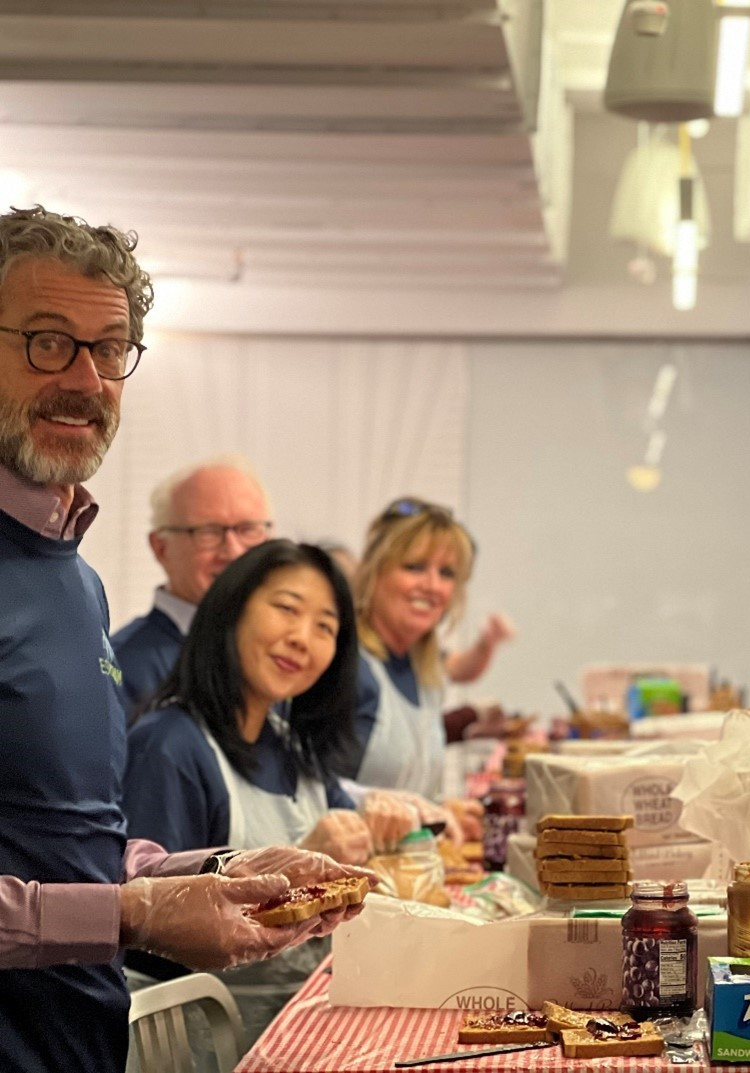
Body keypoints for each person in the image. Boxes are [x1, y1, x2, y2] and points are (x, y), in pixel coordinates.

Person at [0, 205, 365, 1073]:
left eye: (109, 349)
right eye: (47, 341)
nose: (85, 380)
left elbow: (73, 841)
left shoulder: (72, 575)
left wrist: (217, 867)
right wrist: (134, 916)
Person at [123, 539, 421, 1046]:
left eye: (325, 627)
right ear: (230, 608)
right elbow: (148, 936)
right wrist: (303, 863)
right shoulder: (170, 747)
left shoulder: (291, 745)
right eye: (286, 609)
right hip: (220, 1046)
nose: (303, 638)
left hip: (309, 1028)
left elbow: (351, 851)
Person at [330, 497, 514, 799]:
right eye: (414, 567)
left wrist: (442, 813)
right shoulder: (346, 666)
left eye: (446, 573)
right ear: (375, 572)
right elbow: (307, 793)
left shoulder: (424, 670)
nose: (432, 586)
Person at [111, 457, 273, 718]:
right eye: (208, 532)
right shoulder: (122, 668)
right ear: (160, 548)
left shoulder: (286, 656)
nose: (233, 551)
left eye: (248, 529)